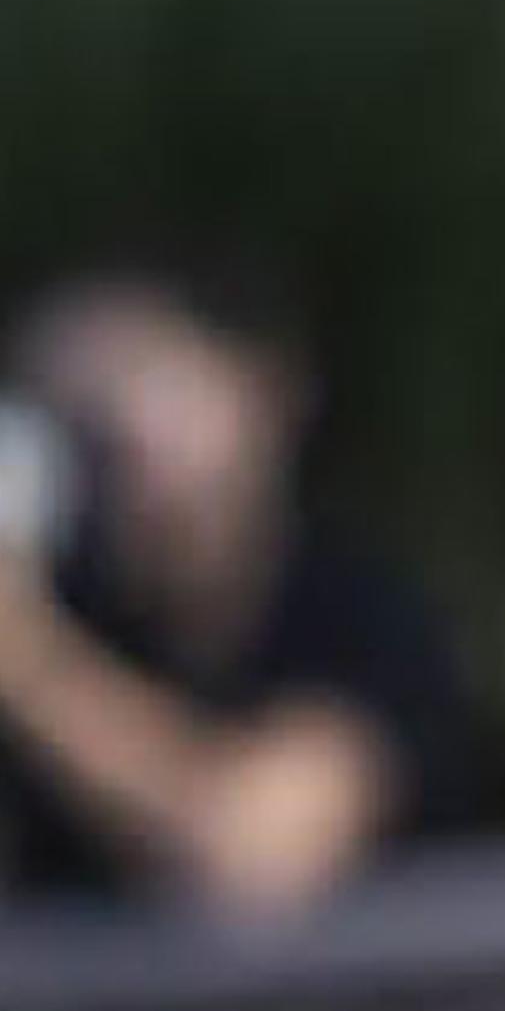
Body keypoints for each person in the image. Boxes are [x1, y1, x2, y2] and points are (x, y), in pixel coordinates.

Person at [0, 258, 472, 913]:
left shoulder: (367, 619)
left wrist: (27, 659)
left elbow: (248, 851)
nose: (119, 434)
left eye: (149, 379)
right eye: (73, 407)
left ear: (267, 388)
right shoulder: (80, 616)